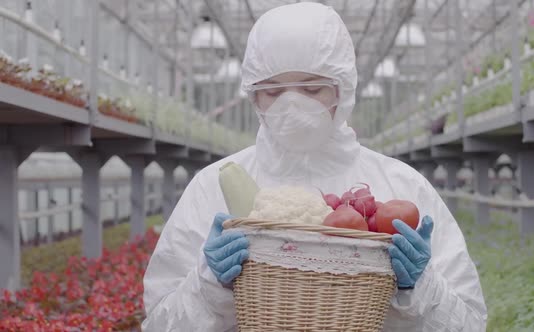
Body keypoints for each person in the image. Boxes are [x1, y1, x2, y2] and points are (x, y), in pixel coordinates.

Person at [142, 2, 487, 331]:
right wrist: (208, 285)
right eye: (273, 91)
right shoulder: (213, 187)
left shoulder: (401, 186)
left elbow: (470, 324)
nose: (292, 104)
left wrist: (420, 287)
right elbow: (159, 323)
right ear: (253, 96)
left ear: (343, 90)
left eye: (311, 88)